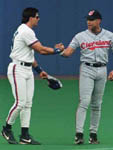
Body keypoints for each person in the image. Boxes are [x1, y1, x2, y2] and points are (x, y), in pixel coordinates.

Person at [1, 7, 64, 145]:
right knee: (20, 102)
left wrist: (38, 70)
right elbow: (41, 50)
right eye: (37, 16)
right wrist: (57, 50)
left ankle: (25, 135)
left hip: (27, 69)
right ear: (31, 18)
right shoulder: (25, 31)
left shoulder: (25, 30)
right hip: (17, 69)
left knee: (28, 104)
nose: (38, 19)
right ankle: (7, 128)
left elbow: (29, 55)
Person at [60, 10, 113, 144]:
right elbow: (68, 52)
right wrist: (60, 51)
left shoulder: (109, 35)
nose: (89, 22)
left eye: (92, 19)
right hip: (87, 69)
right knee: (84, 102)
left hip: (102, 70)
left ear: (99, 20)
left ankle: (93, 134)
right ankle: (79, 134)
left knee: (97, 104)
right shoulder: (80, 36)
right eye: (88, 19)